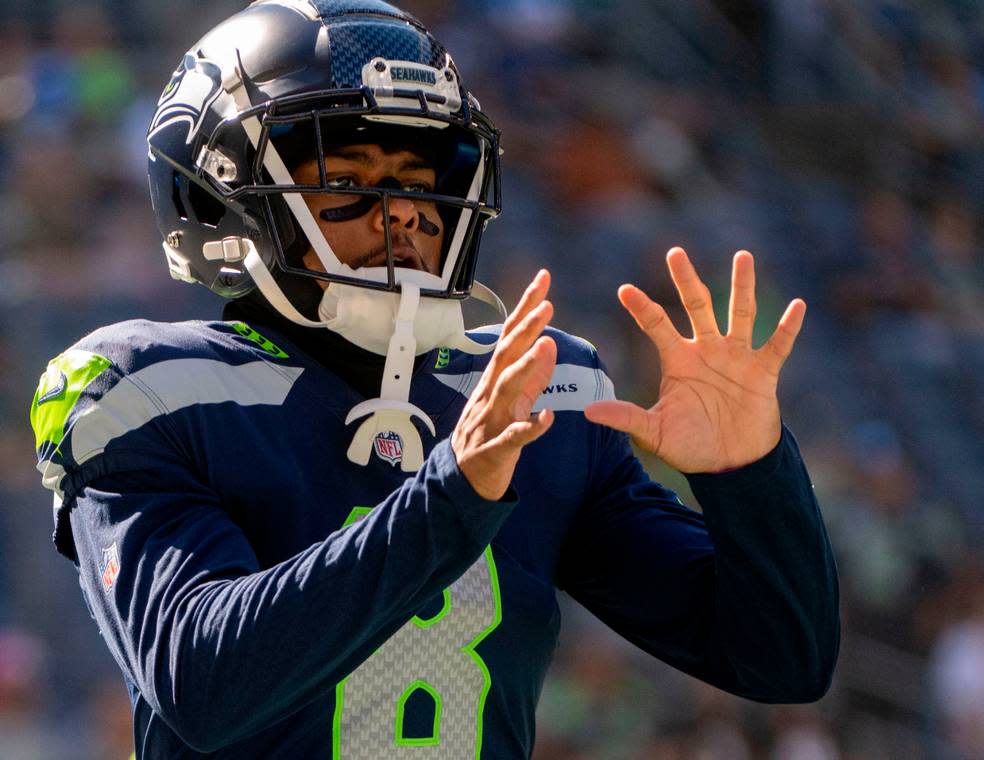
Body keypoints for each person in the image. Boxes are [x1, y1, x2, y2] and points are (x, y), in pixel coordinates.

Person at [29, 1, 839, 757]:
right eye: (347, 179)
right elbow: (204, 684)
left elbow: (780, 660)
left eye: (420, 184)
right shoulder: (148, 389)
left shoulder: (535, 393)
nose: (404, 213)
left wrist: (752, 478)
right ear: (220, 200)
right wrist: (451, 496)